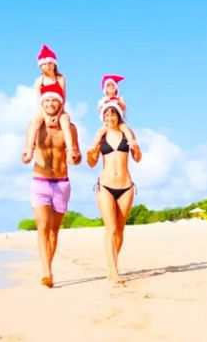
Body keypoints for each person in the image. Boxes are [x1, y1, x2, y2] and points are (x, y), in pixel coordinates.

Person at [22, 81, 82, 288]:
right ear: (42, 103)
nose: (49, 103)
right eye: (46, 100)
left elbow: (77, 157)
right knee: (43, 227)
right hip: (40, 182)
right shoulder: (35, 127)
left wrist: (75, 157)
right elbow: (26, 153)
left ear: (59, 103)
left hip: (62, 183)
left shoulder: (70, 128)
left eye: (53, 100)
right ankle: (46, 272)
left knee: (54, 231)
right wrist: (26, 155)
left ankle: (49, 267)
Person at [86, 101, 142, 284]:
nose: (110, 118)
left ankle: (113, 264)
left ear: (119, 115)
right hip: (105, 186)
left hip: (126, 186)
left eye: (113, 114)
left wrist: (135, 147)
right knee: (110, 228)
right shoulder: (101, 136)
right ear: (102, 117)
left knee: (120, 230)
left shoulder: (127, 133)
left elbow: (138, 158)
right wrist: (90, 153)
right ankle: (113, 270)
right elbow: (92, 163)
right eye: (106, 115)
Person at [23, 45, 77, 165]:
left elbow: (63, 98)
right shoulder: (39, 81)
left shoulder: (60, 78)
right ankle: (29, 149)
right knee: (35, 123)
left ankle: (70, 150)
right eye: (44, 64)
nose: (47, 66)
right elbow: (39, 102)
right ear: (40, 66)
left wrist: (58, 116)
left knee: (65, 121)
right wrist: (46, 117)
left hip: (59, 109)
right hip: (44, 110)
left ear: (54, 64)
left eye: (50, 63)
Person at [91, 74, 138, 151]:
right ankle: (94, 146)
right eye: (108, 86)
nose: (111, 87)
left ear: (116, 88)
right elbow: (99, 110)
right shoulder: (103, 99)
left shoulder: (119, 98)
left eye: (113, 85)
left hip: (119, 120)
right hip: (107, 122)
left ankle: (131, 142)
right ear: (105, 89)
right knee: (100, 132)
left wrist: (118, 102)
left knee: (125, 129)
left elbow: (124, 107)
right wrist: (103, 104)